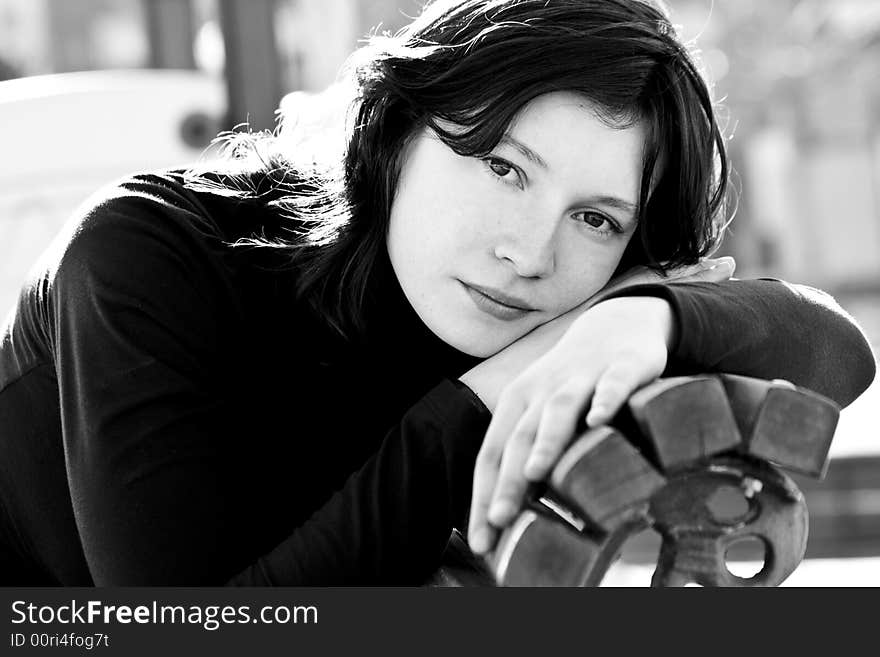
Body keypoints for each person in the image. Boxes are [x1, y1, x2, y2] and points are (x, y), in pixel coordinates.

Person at [0, 0, 874, 586]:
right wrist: (484, 395)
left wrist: (646, 314)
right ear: (396, 132)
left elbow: (835, 349)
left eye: (598, 221)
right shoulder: (150, 253)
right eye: (502, 167)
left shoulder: (579, 305)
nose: (529, 253)